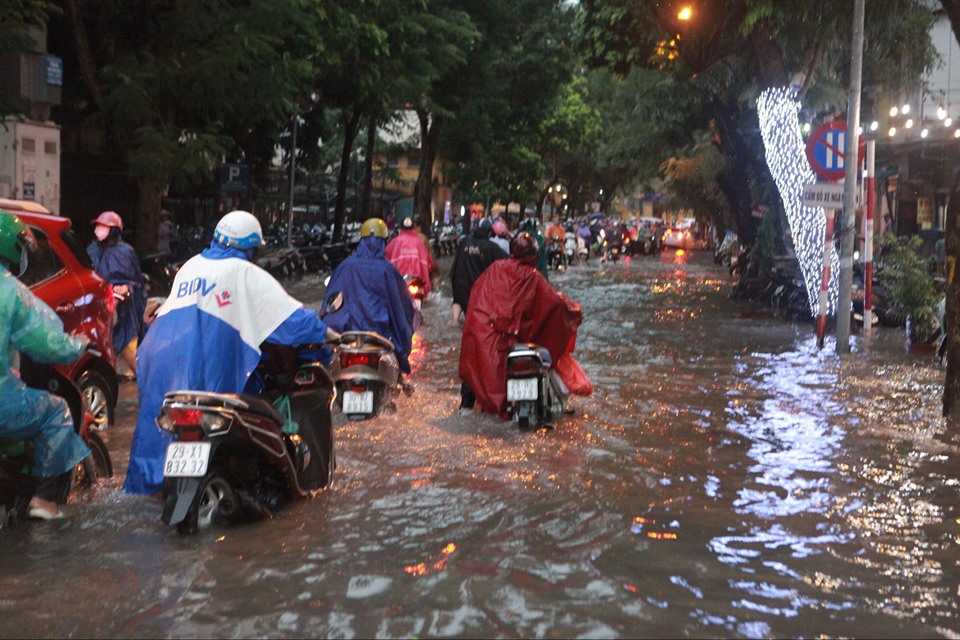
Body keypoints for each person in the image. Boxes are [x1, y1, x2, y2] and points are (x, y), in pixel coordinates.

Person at [124, 210, 338, 495]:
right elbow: (289, 318)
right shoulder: (244, 272)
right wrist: (325, 332)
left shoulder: (190, 266)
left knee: (158, 428)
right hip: (206, 359)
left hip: (158, 356)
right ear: (250, 248)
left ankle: (154, 485)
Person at [0, 210, 91, 519]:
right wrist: (76, 345)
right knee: (56, 410)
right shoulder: (10, 290)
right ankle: (44, 501)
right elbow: (45, 343)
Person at [458, 231, 583, 418]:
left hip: (484, 340)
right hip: (501, 345)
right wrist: (574, 310)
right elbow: (556, 306)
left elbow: (477, 302)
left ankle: (465, 407)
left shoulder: (495, 270)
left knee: (472, 371)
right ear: (534, 256)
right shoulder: (534, 278)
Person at [321, 217, 416, 375]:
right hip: (382, 338)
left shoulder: (346, 266)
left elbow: (329, 304)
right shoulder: (388, 270)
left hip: (347, 338)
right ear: (384, 242)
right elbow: (403, 309)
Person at [87, 211, 147, 381]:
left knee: (131, 353)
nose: (99, 230)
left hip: (123, 313)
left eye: (104, 227)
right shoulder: (91, 250)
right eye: (98, 227)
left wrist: (126, 288)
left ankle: (148, 387)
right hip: (98, 309)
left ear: (114, 230)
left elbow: (137, 284)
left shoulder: (126, 252)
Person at [449, 217, 508, 326]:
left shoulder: (465, 241)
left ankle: (454, 319)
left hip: (459, 281)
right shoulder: (491, 247)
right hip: (477, 286)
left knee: (458, 299)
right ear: (490, 232)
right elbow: (507, 262)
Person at [384, 215, 437, 295]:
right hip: (417, 281)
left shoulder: (395, 242)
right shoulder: (419, 242)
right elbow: (430, 263)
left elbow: (385, 257)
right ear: (414, 228)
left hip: (399, 282)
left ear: (401, 228)